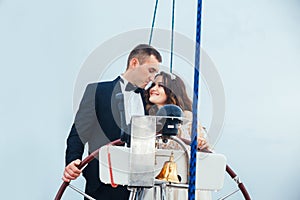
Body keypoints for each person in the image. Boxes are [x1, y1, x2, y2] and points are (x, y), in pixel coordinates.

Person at [62, 44, 162, 199]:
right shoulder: (98, 92)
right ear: (134, 63)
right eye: (151, 70)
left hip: (142, 187)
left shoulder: (151, 100)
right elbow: (79, 133)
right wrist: (73, 160)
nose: (152, 78)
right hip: (103, 185)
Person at [144, 71, 212, 200]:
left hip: (180, 186)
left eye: (160, 85)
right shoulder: (149, 120)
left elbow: (199, 148)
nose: (153, 89)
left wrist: (200, 143)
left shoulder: (187, 117)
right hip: (155, 184)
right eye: (153, 85)